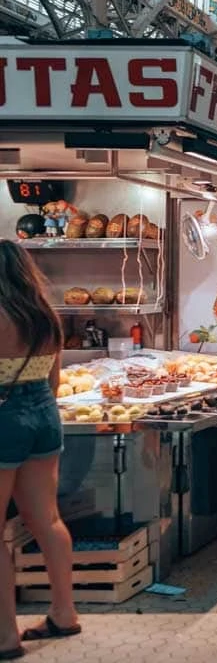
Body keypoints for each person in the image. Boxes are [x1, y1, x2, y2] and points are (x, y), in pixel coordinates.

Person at [0, 241, 80, 658]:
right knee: (47, 519)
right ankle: (64, 613)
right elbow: (53, 380)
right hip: (43, 414)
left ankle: (4, 636)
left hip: (4, 417)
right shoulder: (44, 317)